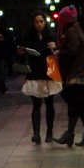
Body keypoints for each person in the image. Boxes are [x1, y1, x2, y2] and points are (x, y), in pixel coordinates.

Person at [54, 5, 84, 147]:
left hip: (79, 73)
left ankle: (71, 135)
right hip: (80, 72)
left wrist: (59, 53)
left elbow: (72, 50)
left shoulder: (71, 30)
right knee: (79, 104)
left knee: (74, 103)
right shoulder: (75, 28)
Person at [16, 11, 61, 144]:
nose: (39, 24)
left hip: (48, 72)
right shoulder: (28, 37)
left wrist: (54, 48)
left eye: (41, 21)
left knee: (49, 103)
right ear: (33, 23)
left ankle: (49, 133)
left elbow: (57, 52)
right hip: (34, 73)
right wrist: (21, 52)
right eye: (37, 22)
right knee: (36, 104)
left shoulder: (50, 35)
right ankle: (36, 134)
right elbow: (21, 54)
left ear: (45, 22)